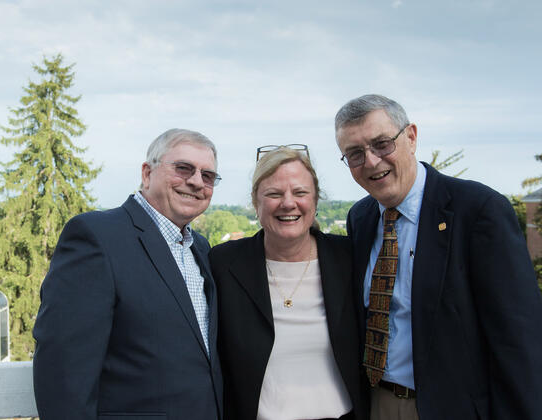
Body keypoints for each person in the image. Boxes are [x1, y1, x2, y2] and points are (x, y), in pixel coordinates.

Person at [334, 94, 542, 420]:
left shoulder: (478, 211)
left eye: (382, 144)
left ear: (411, 137)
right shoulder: (360, 218)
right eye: (355, 154)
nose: (372, 161)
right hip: (377, 404)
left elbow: (518, 341)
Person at [33, 128, 223, 420]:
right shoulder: (97, 237)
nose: (197, 182)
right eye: (183, 168)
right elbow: (63, 371)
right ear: (147, 173)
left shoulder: (200, 248)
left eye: (207, 176)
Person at [209, 145, 370, 420]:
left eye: (300, 192)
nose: (288, 203)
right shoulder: (223, 264)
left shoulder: (350, 258)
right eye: (273, 193)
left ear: (316, 200)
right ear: (255, 202)